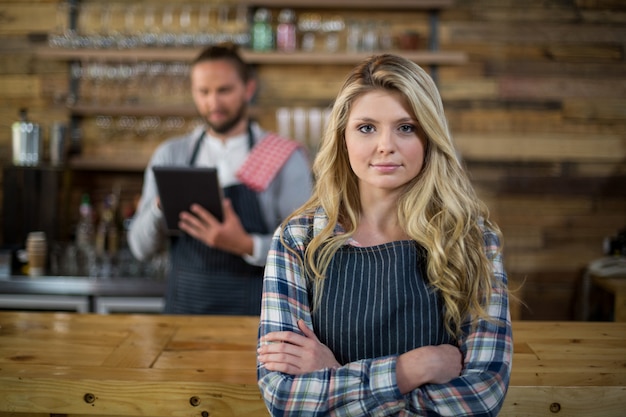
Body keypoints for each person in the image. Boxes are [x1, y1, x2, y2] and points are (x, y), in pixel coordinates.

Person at [256, 54, 512, 416]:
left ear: (429, 137)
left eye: (406, 127)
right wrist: (410, 369)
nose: (385, 145)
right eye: (366, 128)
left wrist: (334, 376)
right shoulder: (299, 239)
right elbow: (284, 397)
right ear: (342, 137)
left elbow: (481, 397)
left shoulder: (472, 239)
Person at [128, 44, 313, 315]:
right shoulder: (171, 154)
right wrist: (159, 208)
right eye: (203, 92)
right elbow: (139, 249)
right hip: (182, 316)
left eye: (224, 91)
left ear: (248, 89)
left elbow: (307, 251)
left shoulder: (284, 157)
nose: (213, 103)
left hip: (255, 318)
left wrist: (246, 245)